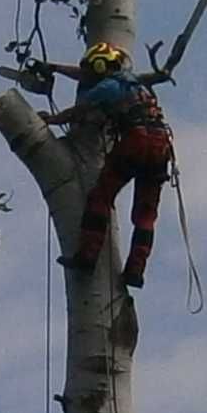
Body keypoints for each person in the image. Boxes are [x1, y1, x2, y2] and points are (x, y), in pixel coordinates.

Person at [59, 37, 175, 285]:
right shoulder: (136, 85)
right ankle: (135, 271)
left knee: (100, 197)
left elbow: (80, 110)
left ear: (101, 68)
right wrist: (54, 68)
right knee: (145, 215)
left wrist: (52, 120)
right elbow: (83, 75)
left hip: (136, 141)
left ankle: (87, 257)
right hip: (161, 147)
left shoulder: (108, 87)